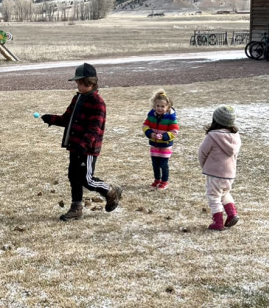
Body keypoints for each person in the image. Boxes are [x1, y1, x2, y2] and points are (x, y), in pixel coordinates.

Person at [40, 62, 122, 221]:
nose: (77, 85)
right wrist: (50, 119)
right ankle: (76, 208)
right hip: (75, 147)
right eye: (77, 82)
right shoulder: (77, 98)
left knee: (87, 179)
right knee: (73, 176)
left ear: (90, 82)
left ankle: (110, 191)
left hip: (87, 149)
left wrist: (83, 145)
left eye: (80, 82)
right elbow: (66, 119)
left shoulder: (97, 102)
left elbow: (95, 128)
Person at [197, 104, 241, 231]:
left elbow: (202, 153)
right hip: (229, 173)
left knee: (213, 196)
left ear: (215, 120)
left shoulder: (212, 136)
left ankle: (218, 222)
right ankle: (232, 214)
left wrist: (204, 166)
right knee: (224, 193)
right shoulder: (236, 137)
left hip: (215, 173)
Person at [142, 89, 179, 189]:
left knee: (163, 164)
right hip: (154, 145)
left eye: (162, 106)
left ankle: (164, 181)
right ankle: (157, 179)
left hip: (165, 146)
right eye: (158, 106)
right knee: (155, 164)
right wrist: (150, 133)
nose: (159, 108)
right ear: (154, 106)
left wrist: (164, 136)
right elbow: (145, 126)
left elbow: (174, 131)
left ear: (168, 107)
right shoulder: (151, 116)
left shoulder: (171, 118)